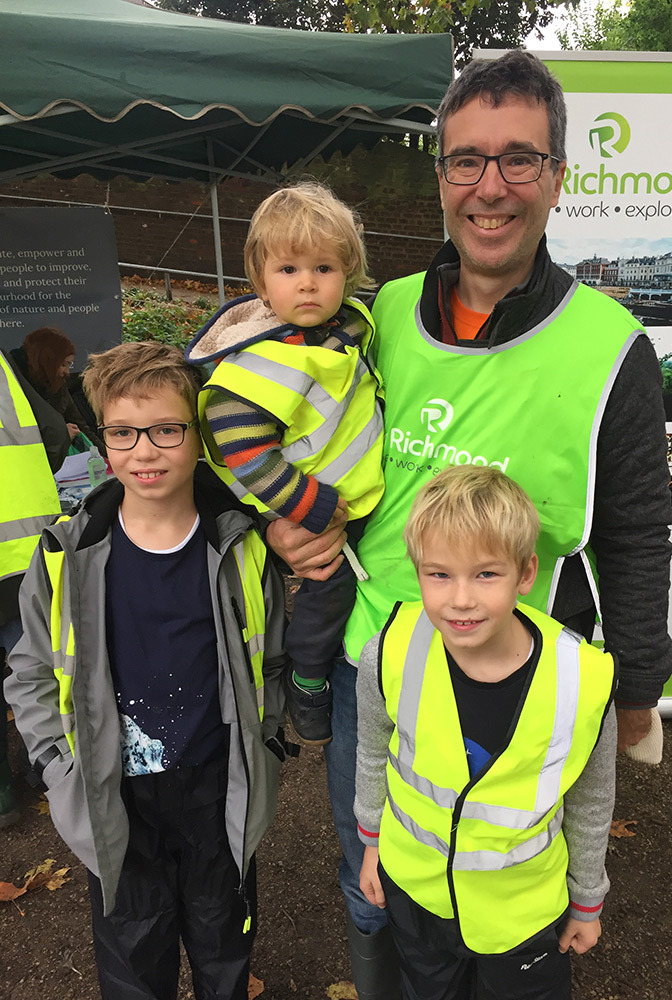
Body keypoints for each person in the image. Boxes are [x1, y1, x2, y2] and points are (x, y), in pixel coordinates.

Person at [267, 50, 672, 999]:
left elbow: (634, 534)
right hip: (383, 667)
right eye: (466, 160)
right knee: (376, 890)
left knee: (512, 895)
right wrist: (280, 523)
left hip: (527, 686)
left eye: (520, 159)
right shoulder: (379, 316)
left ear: (559, 177)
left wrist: (637, 688)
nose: (491, 188)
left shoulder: (613, 346)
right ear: (442, 177)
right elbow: (274, 422)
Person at [4, 341, 288, 1000]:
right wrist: (55, 763)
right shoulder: (65, 555)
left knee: (225, 948)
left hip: (218, 789)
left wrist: (267, 742)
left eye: (165, 429)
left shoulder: (238, 546)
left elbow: (272, 654)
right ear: (102, 440)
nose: (145, 450)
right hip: (113, 794)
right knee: (134, 962)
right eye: (124, 433)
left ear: (196, 437)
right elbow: (31, 667)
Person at [355, 465, 616, 1000]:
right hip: (416, 894)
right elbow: (372, 751)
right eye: (439, 574)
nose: (461, 600)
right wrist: (371, 845)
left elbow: (591, 799)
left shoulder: (581, 679)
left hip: (521, 916)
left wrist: (587, 898)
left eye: (486, 575)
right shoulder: (390, 650)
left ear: (525, 574)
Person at [186, 182, 384, 746]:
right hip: (322, 509)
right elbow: (241, 447)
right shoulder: (262, 360)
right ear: (260, 279)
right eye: (289, 268)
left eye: (324, 267)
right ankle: (308, 677)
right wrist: (309, 505)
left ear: (348, 270)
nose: (308, 282)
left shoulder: (339, 328)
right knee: (328, 594)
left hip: (353, 498)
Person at [0, 348, 67, 827]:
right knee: (41, 666)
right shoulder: (4, 367)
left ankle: (3, 797)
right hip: (21, 555)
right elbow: (52, 434)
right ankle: (52, 766)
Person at [11, 324, 104, 451]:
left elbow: (80, 425)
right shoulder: (12, 384)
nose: (67, 372)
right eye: (63, 364)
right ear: (48, 361)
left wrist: (105, 454)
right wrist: (61, 435)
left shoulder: (56, 382)